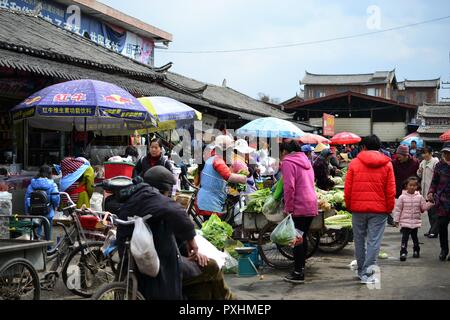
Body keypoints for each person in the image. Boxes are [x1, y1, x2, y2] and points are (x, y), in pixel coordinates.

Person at [115, 166, 235, 300]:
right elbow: (177, 212)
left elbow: (173, 235)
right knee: (211, 267)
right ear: (164, 189)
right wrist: (192, 242)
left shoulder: (138, 198)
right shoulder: (152, 198)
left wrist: (189, 250)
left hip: (148, 262)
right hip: (161, 267)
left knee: (205, 283)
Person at [344, 135, 396, 284]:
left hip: (358, 209)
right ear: (379, 147)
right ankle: (367, 274)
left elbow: (348, 188)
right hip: (379, 210)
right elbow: (391, 190)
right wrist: (389, 208)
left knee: (359, 240)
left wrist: (349, 205)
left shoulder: (354, 163)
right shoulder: (387, 164)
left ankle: (361, 272)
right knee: (374, 242)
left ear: (363, 147)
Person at [280, 139, 318, 284]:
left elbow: (289, 187)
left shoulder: (288, 162)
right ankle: (301, 267)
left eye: (282, 152)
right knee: (302, 237)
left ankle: (298, 273)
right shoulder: (306, 161)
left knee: (296, 239)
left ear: (285, 151)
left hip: (299, 205)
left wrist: (288, 208)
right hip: (311, 203)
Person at [196, 135, 247, 218]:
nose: (231, 153)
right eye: (230, 150)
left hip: (207, 199)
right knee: (212, 228)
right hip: (210, 202)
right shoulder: (218, 161)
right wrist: (243, 178)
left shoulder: (213, 159)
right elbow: (228, 176)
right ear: (224, 150)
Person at [393, 177, 434, 261]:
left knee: (415, 237)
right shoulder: (402, 197)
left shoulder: (419, 197)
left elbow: (423, 208)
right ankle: (403, 252)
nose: (412, 187)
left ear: (417, 186)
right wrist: (396, 220)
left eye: (414, 185)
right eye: (410, 185)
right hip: (405, 222)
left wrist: (431, 202)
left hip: (415, 222)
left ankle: (416, 250)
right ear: (406, 186)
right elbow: (398, 210)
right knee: (405, 238)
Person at [427, 142, 450, 261]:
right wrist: (431, 192)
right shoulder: (440, 165)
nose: (446, 155)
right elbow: (434, 181)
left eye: (448, 153)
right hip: (442, 201)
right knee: (442, 227)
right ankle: (444, 249)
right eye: (445, 152)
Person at [25, 165, 60, 240]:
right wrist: (56, 205)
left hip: (34, 213)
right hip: (48, 211)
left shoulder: (31, 185)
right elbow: (55, 197)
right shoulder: (52, 185)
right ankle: (48, 248)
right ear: (50, 173)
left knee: (37, 232)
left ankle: (38, 247)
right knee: (48, 231)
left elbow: (27, 199)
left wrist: (28, 212)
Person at [390, 145, 420, 226]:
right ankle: (403, 226)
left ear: (406, 155)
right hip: (398, 191)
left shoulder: (415, 162)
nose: (398, 159)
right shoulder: (393, 163)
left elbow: (418, 177)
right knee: (399, 210)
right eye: (397, 156)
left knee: (410, 210)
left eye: (399, 157)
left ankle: (409, 226)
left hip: (411, 190)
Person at [417, 146, 440, 238]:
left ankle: (434, 231)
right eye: (423, 153)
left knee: (434, 213)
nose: (424, 155)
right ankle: (432, 229)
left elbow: (437, 176)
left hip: (433, 191)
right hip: (425, 191)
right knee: (430, 213)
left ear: (431, 153)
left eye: (426, 153)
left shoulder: (435, 162)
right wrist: (419, 171)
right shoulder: (422, 162)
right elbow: (419, 175)